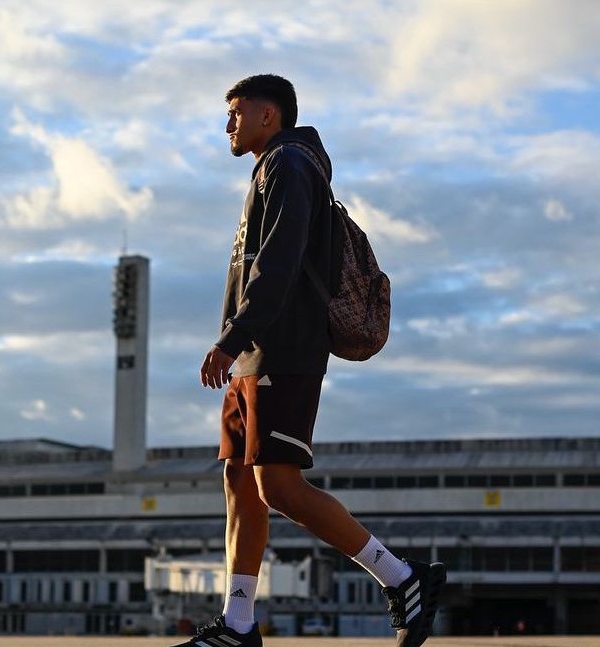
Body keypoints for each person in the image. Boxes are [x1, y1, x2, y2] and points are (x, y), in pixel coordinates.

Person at [175, 74, 447, 647]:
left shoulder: (291, 165)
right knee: (238, 484)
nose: (228, 124)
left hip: (283, 346)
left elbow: (278, 261)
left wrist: (235, 335)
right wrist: (238, 341)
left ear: (269, 116)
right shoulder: (271, 168)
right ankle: (240, 624)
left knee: (279, 487)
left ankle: (402, 578)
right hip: (254, 353)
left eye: (236, 112)